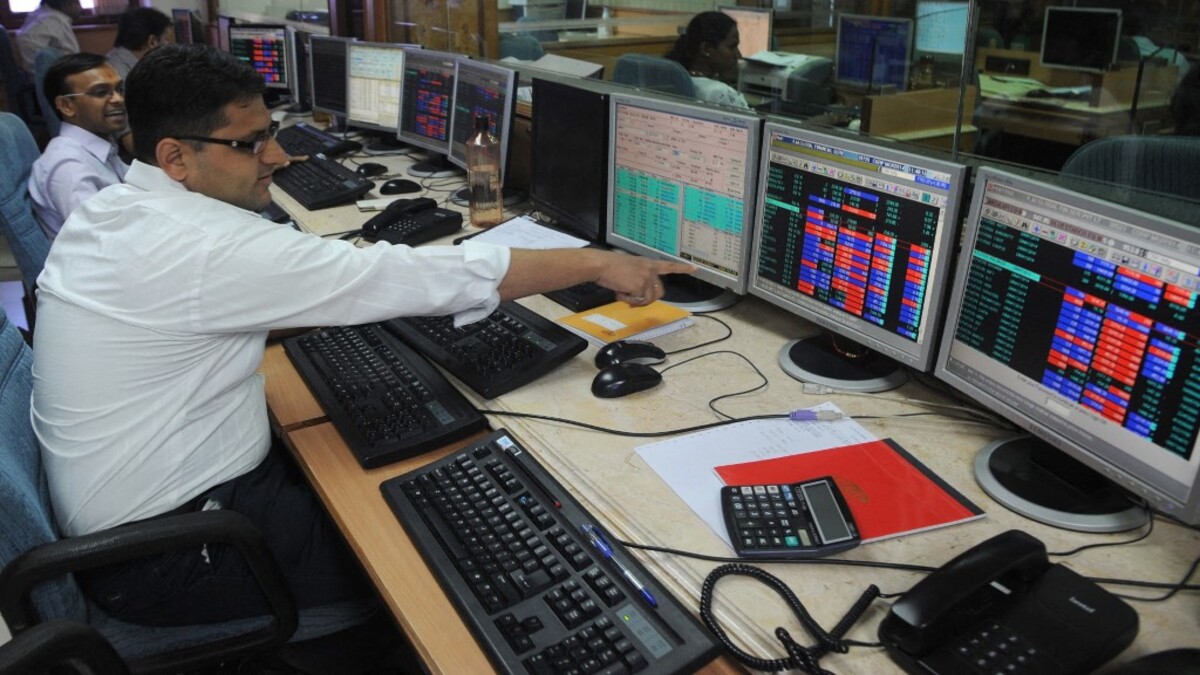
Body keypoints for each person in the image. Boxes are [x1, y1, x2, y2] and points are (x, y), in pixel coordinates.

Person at [30, 43, 691, 656]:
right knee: (440, 562)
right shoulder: (206, 245)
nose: (279, 158)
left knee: (417, 488)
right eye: (252, 143)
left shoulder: (116, 208)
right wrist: (597, 264)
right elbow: (408, 279)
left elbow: (270, 291)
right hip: (172, 553)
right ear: (175, 157)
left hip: (152, 510)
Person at [28, 52, 129, 238]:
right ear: (66, 105)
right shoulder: (70, 167)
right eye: (101, 92)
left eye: (119, 89)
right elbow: (100, 242)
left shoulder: (99, 148)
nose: (118, 99)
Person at [664, 11, 749, 109]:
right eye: (732, 47)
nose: (739, 55)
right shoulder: (720, 93)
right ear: (706, 49)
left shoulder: (676, 79)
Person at [14, 0, 82, 73]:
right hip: (48, 77)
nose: (81, 8)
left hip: (31, 73)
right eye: (78, 3)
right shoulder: (58, 20)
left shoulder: (38, 14)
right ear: (65, 5)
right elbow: (73, 57)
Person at [106, 7, 174, 79]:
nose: (168, 45)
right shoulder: (118, 76)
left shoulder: (120, 59)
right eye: (166, 40)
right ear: (152, 42)